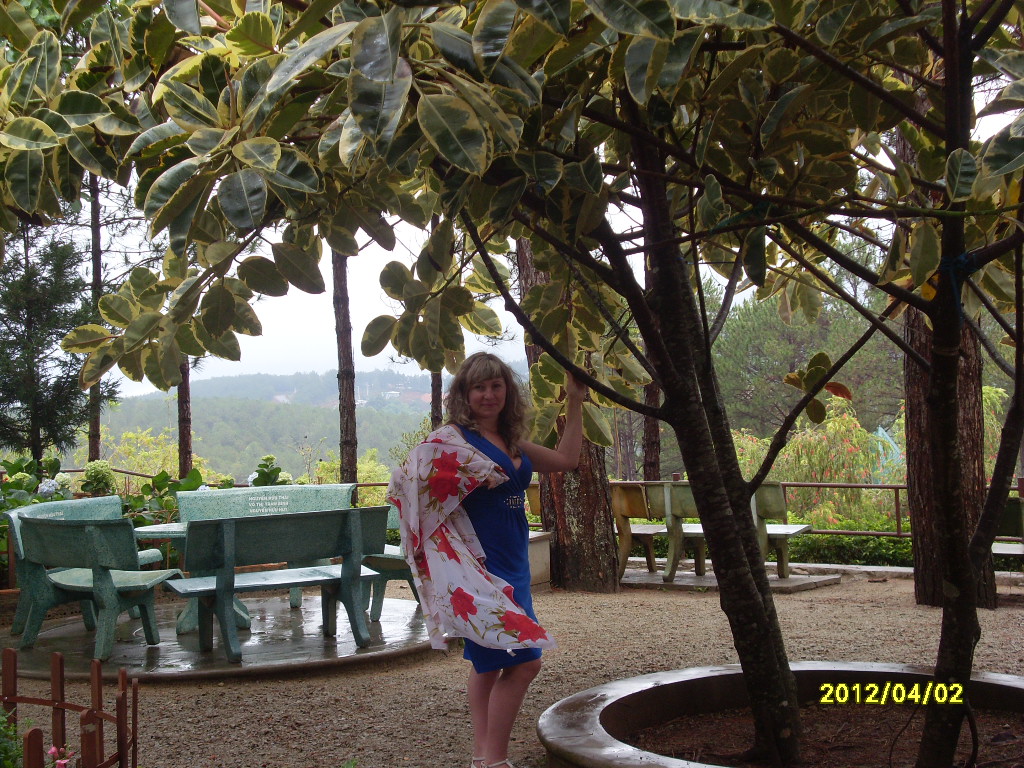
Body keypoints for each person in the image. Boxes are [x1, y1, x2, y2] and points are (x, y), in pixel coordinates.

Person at [387, 352, 586, 768]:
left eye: (497, 386)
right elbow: (408, 486)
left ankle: (483, 758)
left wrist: (574, 400)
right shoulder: (451, 441)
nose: (489, 394)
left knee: (487, 664)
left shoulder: (512, 443)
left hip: (514, 560)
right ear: (465, 393)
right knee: (525, 663)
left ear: (508, 392)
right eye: (479, 387)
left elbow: (568, 460)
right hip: (478, 565)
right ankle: (495, 760)